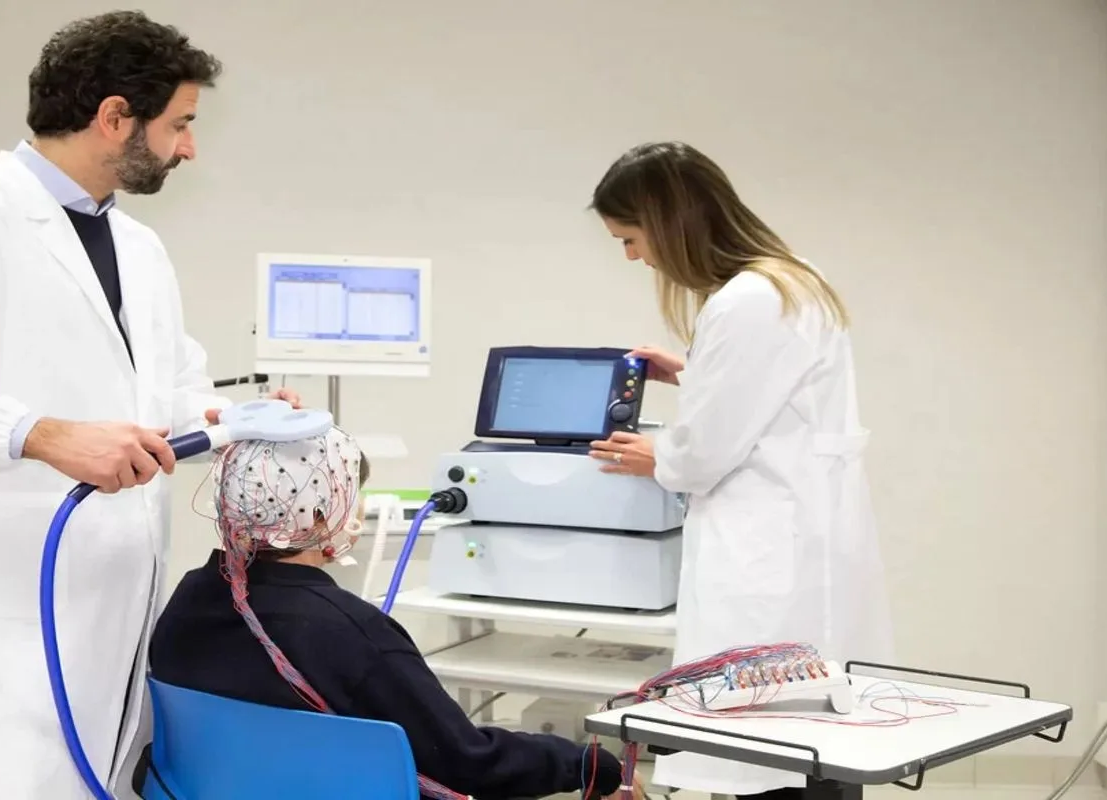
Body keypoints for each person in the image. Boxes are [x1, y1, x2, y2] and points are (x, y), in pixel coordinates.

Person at [0, 12, 301, 799]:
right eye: (180, 124)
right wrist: (36, 435)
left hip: (112, 612)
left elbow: (166, 397)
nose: (189, 148)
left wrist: (235, 420)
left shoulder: (140, 249)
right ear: (115, 117)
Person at [585, 142, 894, 800]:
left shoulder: (746, 301)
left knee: (772, 747)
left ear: (668, 221)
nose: (633, 256)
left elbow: (703, 454)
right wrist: (695, 371)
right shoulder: (790, 281)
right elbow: (775, 399)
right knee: (812, 748)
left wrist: (654, 456)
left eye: (631, 238)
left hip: (768, 554)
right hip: (802, 538)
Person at [147, 429, 630, 800]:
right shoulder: (351, 632)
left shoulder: (191, 598)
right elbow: (471, 764)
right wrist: (589, 765)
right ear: (322, 513)